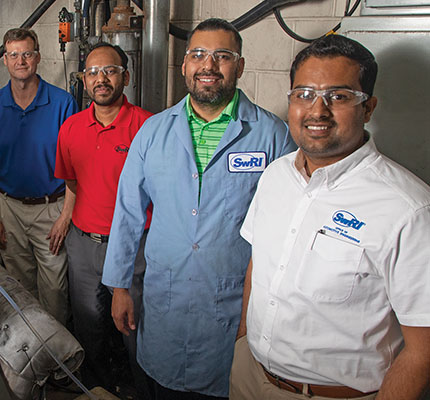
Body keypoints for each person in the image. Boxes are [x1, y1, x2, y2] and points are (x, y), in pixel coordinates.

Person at [102, 18, 296, 399]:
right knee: (162, 386)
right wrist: (119, 286)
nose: (209, 65)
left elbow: (289, 227)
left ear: (239, 67)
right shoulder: (153, 132)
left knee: (227, 385)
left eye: (222, 56)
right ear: (185, 65)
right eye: (198, 55)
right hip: (164, 298)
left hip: (233, 303)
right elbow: (127, 212)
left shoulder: (273, 136)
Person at [230, 34, 430, 400]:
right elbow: (259, 264)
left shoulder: (408, 209)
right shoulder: (276, 176)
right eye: (304, 94)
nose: (317, 110)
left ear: (368, 108)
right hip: (250, 376)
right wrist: (245, 340)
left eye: (338, 97)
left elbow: (423, 351)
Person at [54, 43, 152, 394]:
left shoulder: (149, 127)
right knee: (90, 326)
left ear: (125, 76)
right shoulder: (71, 128)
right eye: (93, 72)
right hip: (84, 245)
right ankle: (96, 389)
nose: (101, 79)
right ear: (83, 80)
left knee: (133, 330)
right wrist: (67, 216)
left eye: (109, 70)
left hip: (134, 248)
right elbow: (72, 180)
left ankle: (140, 391)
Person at [0, 28, 77, 324]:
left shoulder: (63, 104)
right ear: (4, 61)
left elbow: (74, 166)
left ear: (38, 58)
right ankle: (30, 352)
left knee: (55, 289)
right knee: (20, 286)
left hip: (51, 209)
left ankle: (57, 356)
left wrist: (66, 216)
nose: (21, 60)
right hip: (9, 209)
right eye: (14, 55)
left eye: (27, 54)